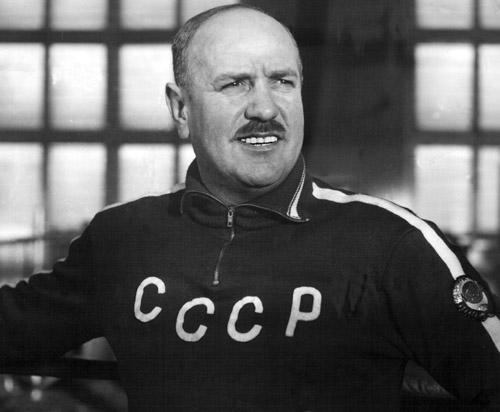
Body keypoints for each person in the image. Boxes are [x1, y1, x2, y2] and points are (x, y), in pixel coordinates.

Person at [0, 4, 499, 411]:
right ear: (180, 108)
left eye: (282, 81)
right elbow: (16, 328)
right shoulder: (123, 237)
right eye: (235, 83)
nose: (265, 107)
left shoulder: (392, 243)